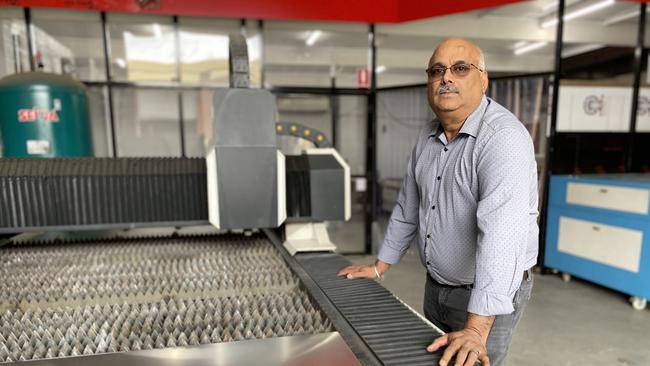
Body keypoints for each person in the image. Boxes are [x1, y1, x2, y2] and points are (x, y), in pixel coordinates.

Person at [337, 38, 538, 366]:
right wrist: (379, 266)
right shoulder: (427, 138)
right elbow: (407, 207)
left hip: (485, 296)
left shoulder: (502, 139)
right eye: (437, 70)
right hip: (437, 286)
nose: (446, 78)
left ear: (483, 79)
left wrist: (476, 329)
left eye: (460, 69)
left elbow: (503, 237)